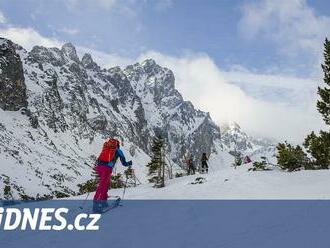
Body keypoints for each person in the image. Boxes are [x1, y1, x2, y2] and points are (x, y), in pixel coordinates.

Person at [93, 138, 132, 212]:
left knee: (105, 184)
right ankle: (96, 203)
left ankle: (103, 201)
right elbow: (124, 163)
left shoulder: (106, 148)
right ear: (118, 145)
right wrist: (129, 163)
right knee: (103, 185)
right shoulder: (118, 150)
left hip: (99, 168)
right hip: (107, 169)